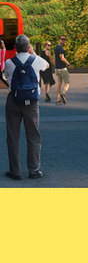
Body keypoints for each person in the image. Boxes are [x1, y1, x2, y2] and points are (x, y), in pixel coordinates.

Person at [5, 34, 48, 179]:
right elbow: (47, 66)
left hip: (14, 101)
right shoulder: (36, 60)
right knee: (33, 135)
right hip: (31, 103)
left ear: (16, 47)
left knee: (13, 136)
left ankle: (15, 171)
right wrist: (33, 53)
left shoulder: (9, 62)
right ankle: (34, 170)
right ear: (28, 46)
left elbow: (7, 75)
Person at [53, 35, 71, 104]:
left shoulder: (56, 48)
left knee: (59, 84)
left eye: (64, 39)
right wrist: (69, 64)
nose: (63, 41)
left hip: (57, 69)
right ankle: (63, 94)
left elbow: (54, 58)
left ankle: (58, 100)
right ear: (59, 40)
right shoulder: (61, 48)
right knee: (67, 83)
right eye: (62, 39)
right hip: (63, 69)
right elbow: (62, 58)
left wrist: (55, 66)